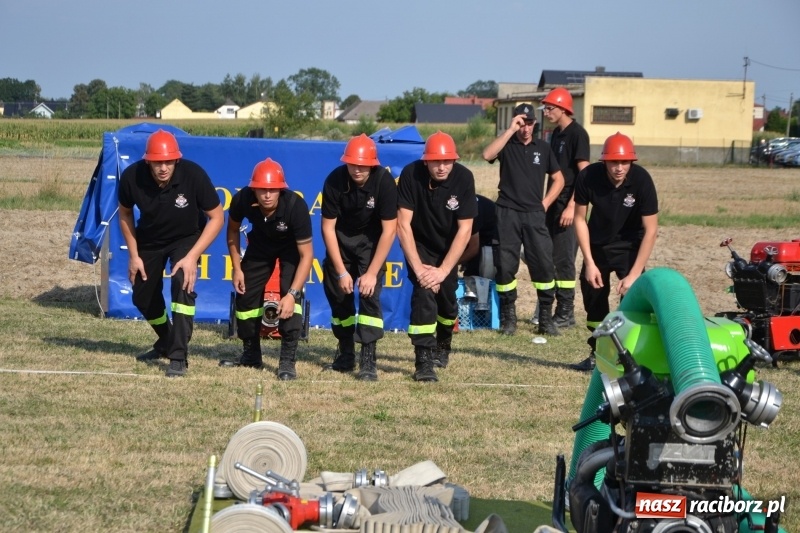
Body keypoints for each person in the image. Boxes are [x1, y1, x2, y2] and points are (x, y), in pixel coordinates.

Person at [118, 129, 224, 377]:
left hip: (186, 238)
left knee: (182, 281)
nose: (163, 168)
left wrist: (192, 257)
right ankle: (167, 339)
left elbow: (217, 217)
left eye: (168, 162)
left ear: (177, 159)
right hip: (150, 239)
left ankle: (178, 356)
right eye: (157, 162)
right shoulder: (132, 177)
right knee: (142, 296)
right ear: (148, 161)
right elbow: (125, 213)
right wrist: (134, 255)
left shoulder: (194, 174)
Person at [569, 132, 659, 372]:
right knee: (594, 299)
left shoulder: (642, 180)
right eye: (613, 162)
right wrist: (589, 262)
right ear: (604, 162)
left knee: (634, 303)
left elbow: (651, 230)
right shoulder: (588, 177)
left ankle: (631, 358)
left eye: (625, 162)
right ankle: (597, 353)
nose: (619, 168)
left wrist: (634, 275)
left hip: (630, 246)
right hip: (597, 246)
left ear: (631, 162)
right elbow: (579, 219)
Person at [219, 158, 313, 381]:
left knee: (290, 299)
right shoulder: (242, 199)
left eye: (273, 190)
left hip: (291, 248)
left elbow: (306, 255)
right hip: (260, 244)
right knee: (245, 295)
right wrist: (237, 268)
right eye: (262, 189)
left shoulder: (296, 206)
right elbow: (232, 231)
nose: (267, 195)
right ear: (254, 189)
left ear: (281, 189)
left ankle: (287, 361)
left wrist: (292, 294)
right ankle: (251, 355)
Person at [397, 131, 477, 382]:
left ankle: (444, 342)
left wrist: (443, 271)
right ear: (425, 161)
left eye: (447, 161)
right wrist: (420, 270)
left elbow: (465, 230)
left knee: (446, 301)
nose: (442, 167)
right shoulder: (410, 175)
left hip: (448, 248)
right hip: (419, 245)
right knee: (424, 294)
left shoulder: (464, 178)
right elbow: (403, 225)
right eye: (436, 162)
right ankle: (423, 360)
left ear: (454, 160)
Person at [482, 103, 565, 337]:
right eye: (521, 123)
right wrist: (509, 130)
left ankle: (545, 319)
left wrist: (545, 203)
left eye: (529, 123)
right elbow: (487, 155)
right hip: (507, 212)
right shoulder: (507, 144)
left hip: (534, 214)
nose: (525, 128)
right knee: (505, 266)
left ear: (535, 124)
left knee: (544, 265)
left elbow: (559, 179)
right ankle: (509, 319)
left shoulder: (544, 148)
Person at [320, 134, 398, 381]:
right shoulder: (334, 180)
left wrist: (372, 273)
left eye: (363, 165)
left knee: (369, 297)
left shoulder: (384, 182)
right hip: (341, 242)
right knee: (338, 296)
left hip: (371, 243)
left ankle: (368, 359)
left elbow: (389, 230)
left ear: (372, 164)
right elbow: (327, 228)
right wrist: (341, 272)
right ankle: (345, 353)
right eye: (352, 164)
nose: (357, 169)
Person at [536, 87, 590, 329]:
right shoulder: (556, 134)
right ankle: (553, 309)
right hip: (554, 207)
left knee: (565, 259)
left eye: (549, 108)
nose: (546, 112)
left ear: (563, 108)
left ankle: (566, 312)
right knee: (551, 259)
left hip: (569, 206)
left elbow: (585, 175)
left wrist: (572, 206)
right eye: (545, 108)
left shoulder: (578, 135)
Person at [459, 194, 497, 279]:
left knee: (475, 279)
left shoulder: (469, 211)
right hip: (480, 235)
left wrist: (450, 264)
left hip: (492, 243)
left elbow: (473, 249)